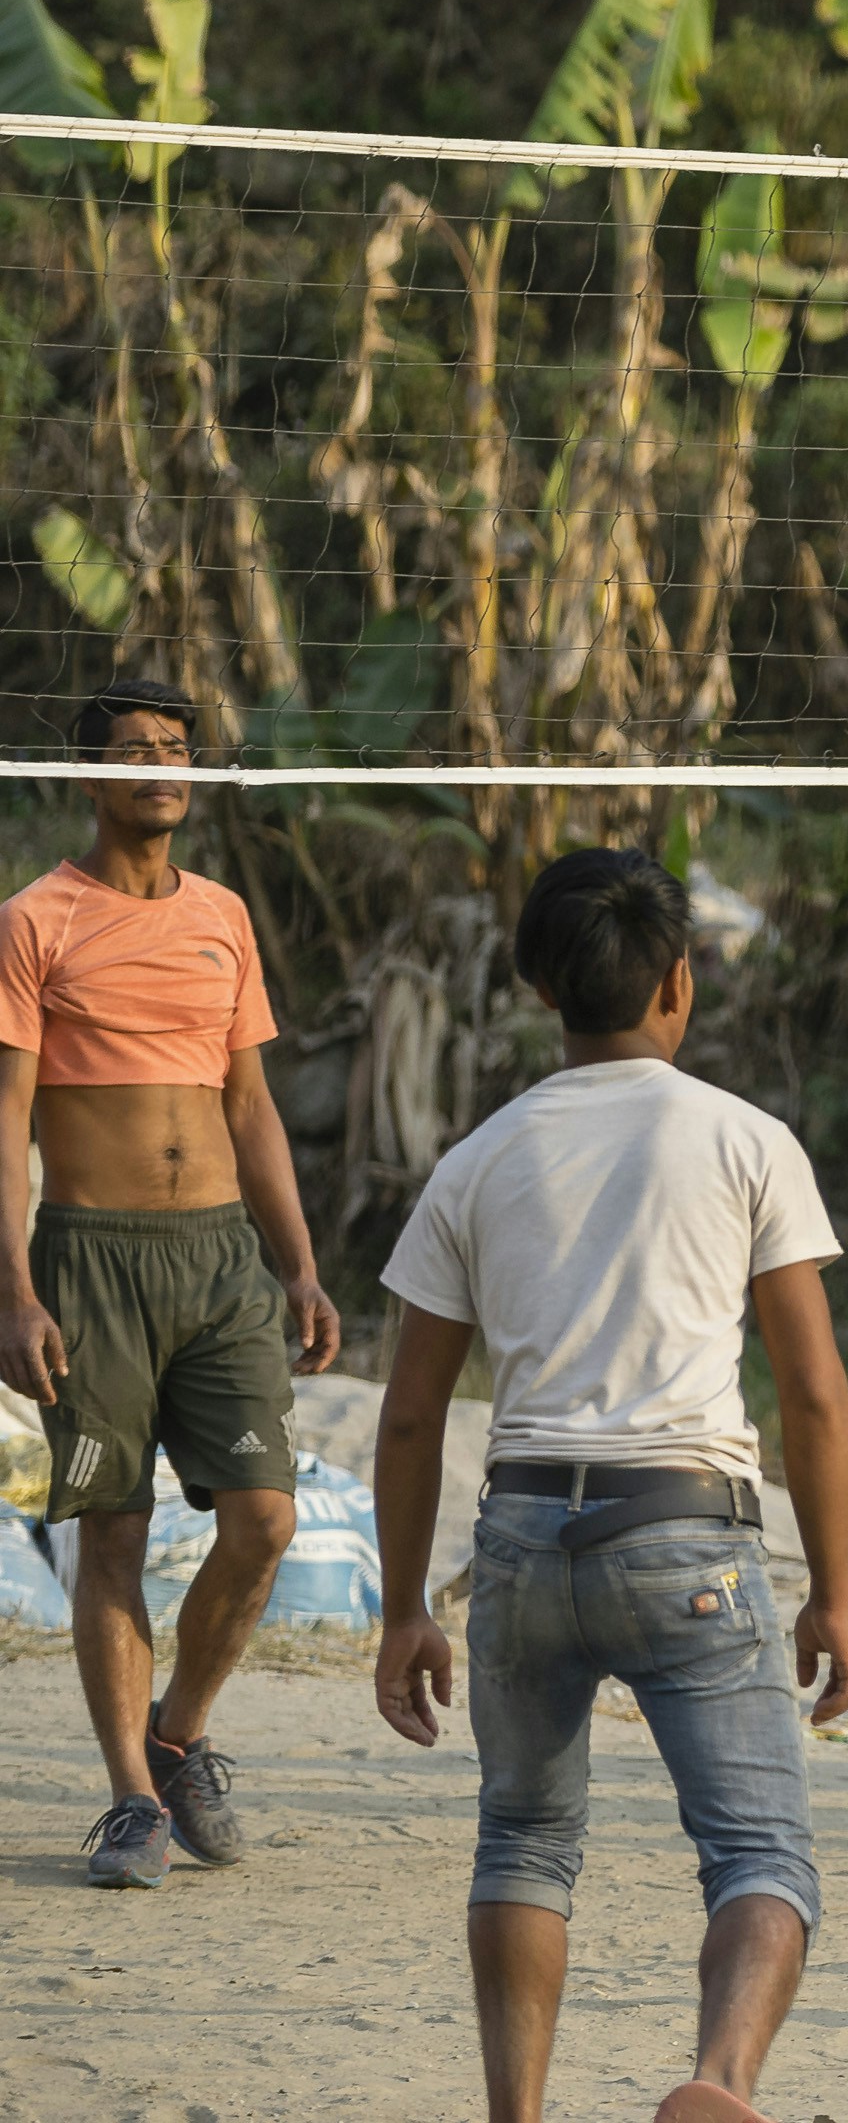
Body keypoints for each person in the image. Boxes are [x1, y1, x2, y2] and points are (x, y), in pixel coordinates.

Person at [370, 848, 848, 2123]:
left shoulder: (478, 1161)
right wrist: (836, 1596)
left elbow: (415, 1411)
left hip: (525, 1535)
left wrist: (404, 1610)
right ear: (679, 984)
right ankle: (719, 2080)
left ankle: (517, 2118)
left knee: (525, 1846)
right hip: (686, 1534)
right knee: (758, 1854)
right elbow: (814, 1395)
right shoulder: (746, 1142)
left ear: (545, 986)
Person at [0, 673, 341, 1889]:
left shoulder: (226, 917)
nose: (161, 766)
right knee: (113, 1536)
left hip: (218, 1264)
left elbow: (250, 1104)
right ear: (91, 776)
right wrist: (14, 1291)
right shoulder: (35, 918)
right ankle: (133, 1803)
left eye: (177, 750)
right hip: (89, 1261)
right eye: (137, 749)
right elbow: (7, 1116)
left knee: (265, 1519)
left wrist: (297, 1265)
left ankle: (180, 1732)